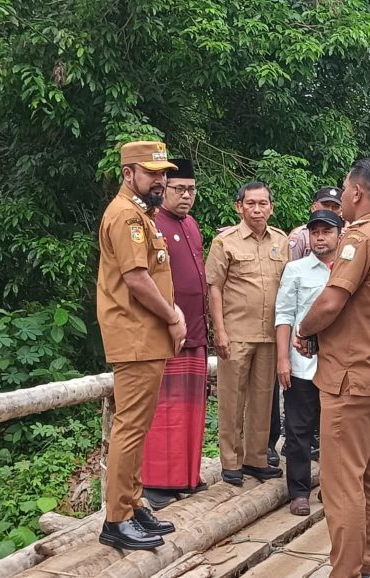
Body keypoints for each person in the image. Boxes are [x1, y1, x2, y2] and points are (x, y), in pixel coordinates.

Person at [294, 158, 370, 578]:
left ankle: (344, 570)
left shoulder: (359, 240)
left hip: (350, 376)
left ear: (358, 192)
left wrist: (304, 331)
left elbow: (330, 301)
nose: (341, 198)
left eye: (344, 190)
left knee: (342, 483)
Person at [96, 140, 182, 550]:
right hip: (134, 336)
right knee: (129, 428)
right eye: (152, 173)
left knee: (139, 426)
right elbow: (135, 278)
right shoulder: (126, 216)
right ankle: (116, 519)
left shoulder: (141, 215)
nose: (160, 180)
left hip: (146, 338)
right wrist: (173, 315)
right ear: (129, 174)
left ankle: (131, 504)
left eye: (164, 173)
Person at [205, 182, 289, 486]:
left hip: (269, 334)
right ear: (238, 207)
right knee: (231, 398)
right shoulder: (225, 242)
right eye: (251, 204)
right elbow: (215, 287)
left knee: (263, 400)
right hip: (237, 332)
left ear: (271, 207)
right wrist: (220, 331)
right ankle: (230, 461)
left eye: (263, 203)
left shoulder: (281, 241)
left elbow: (288, 287)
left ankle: (255, 458)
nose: (257, 209)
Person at [140, 158, 209, 510]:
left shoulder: (192, 225)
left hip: (196, 329)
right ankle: (156, 483)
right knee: (166, 410)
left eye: (191, 189)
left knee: (193, 410)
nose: (186, 196)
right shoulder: (153, 225)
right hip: (168, 332)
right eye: (179, 189)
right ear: (164, 189)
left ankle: (186, 475)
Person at [275, 210, 342, 516]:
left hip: (340, 365)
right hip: (302, 365)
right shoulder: (296, 269)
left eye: (326, 231)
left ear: (339, 235)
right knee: (298, 431)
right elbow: (284, 314)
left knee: (335, 431)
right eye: (315, 232)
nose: (320, 237)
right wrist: (282, 359)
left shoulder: (347, 270)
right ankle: (299, 491)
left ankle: (332, 489)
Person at [287, 187, 343, 260]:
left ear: (341, 211)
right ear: (314, 207)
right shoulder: (299, 235)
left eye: (335, 207)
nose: (330, 210)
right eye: (326, 205)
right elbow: (291, 266)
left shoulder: (346, 235)